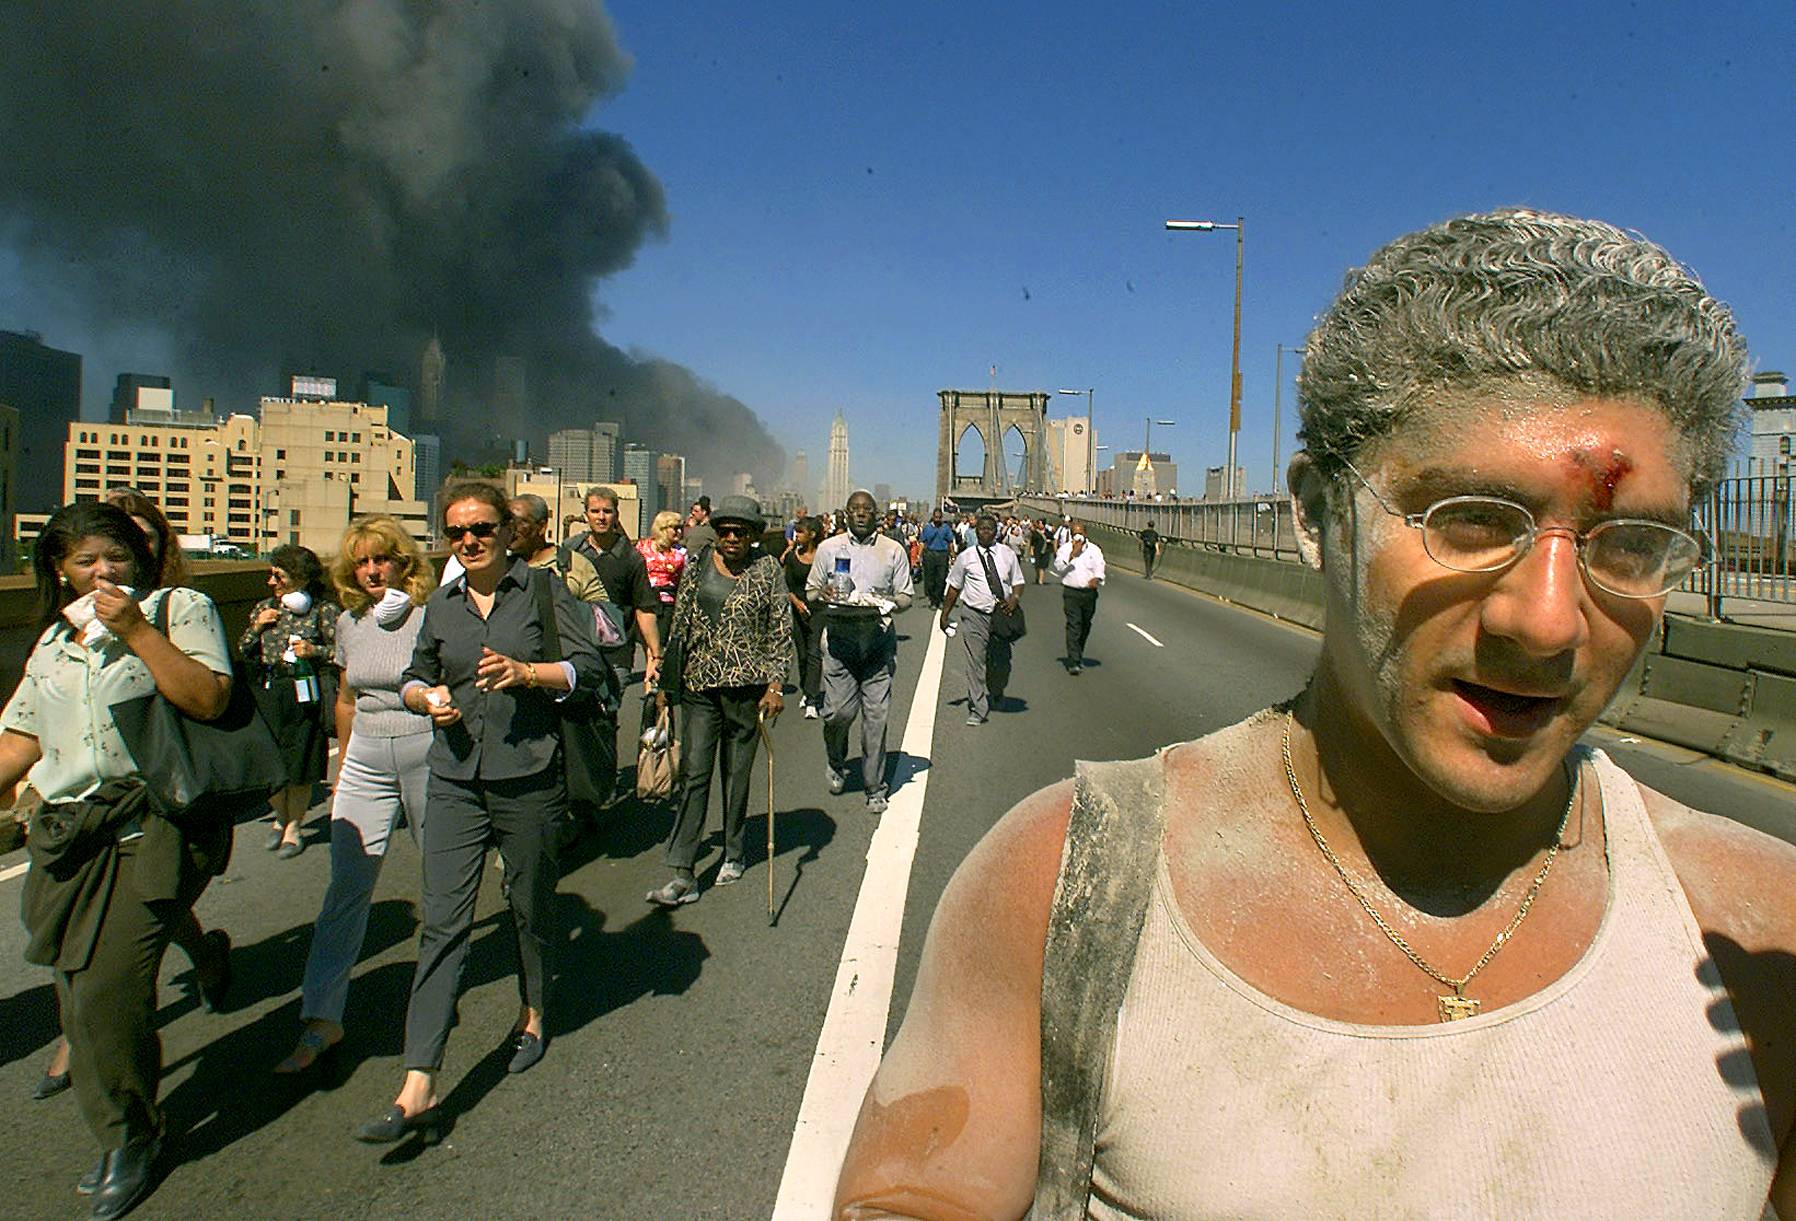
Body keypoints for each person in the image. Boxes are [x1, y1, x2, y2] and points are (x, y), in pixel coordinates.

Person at [834, 210, 1796, 1218]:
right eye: (1467, 521)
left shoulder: (1760, 933)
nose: (1549, 624)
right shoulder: (1060, 890)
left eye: (1630, 545)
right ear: (1312, 514)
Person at [0, 502, 236, 1219]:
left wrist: (134, 630)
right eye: (84, 561)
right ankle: (122, 1111)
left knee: (109, 991)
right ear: (57, 569)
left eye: (116, 557)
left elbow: (208, 697)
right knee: (75, 998)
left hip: (152, 825)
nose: (102, 572)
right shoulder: (54, 642)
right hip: (72, 835)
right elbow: (20, 739)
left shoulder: (176, 608)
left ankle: (131, 1133)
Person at [355, 482, 602, 1142]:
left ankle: (534, 1011)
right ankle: (418, 1082)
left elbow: (589, 670)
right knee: (443, 921)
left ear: (507, 531)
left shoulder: (545, 593)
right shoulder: (441, 605)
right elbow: (411, 674)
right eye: (456, 532)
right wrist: (422, 696)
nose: (468, 541)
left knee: (529, 904)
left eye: (481, 529)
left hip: (528, 778)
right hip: (456, 778)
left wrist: (527, 673)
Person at [276, 515, 437, 1075]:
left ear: (404, 563)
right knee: (345, 888)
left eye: (383, 558)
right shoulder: (348, 623)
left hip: (426, 751)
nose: (372, 570)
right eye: (362, 561)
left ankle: (434, 1004)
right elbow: (345, 698)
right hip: (367, 754)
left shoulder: (430, 617)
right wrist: (343, 768)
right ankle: (322, 1016)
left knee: (440, 882)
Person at [645, 496, 792, 906]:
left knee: (736, 773)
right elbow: (681, 624)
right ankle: (683, 871)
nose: (731, 538)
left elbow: (779, 630)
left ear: (752, 536)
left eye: (740, 532)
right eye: (724, 531)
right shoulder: (697, 567)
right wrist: (665, 683)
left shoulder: (767, 571)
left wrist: (776, 686)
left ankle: (734, 849)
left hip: (746, 688)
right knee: (694, 773)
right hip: (699, 687)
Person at [807, 489, 914, 815]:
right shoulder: (829, 549)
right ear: (846, 514)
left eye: (868, 509)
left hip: (878, 643)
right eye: (855, 509)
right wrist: (823, 591)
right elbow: (811, 592)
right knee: (838, 713)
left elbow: (906, 596)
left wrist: (889, 601)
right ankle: (836, 759)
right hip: (840, 643)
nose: (862, 514)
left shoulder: (893, 550)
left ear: (877, 514)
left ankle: (874, 787)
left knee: (876, 719)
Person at [240, 545, 339, 857]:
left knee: (299, 764)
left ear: (300, 578)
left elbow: (342, 651)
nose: (272, 582)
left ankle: (293, 827)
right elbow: (243, 650)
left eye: (278, 576)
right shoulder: (262, 609)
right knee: (269, 762)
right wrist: (257, 629)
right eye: (271, 575)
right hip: (269, 690)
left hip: (303, 692)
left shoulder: (323, 612)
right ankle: (279, 818)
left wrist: (315, 652)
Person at [568, 486, 663, 800]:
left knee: (605, 714)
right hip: (575, 648)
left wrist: (654, 654)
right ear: (586, 514)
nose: (601, 517)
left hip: (615, 653)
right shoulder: (571, 551)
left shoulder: (630, 558)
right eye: (595, 511)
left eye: (607, 511)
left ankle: (604, 780)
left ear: (616, 515)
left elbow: (644, 608)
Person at [939, 513, 1024, 726]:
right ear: (976, 532)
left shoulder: (1007, 555)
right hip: (974, 615)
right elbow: (954, 587)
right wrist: (945, 613)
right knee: (975, 662)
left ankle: (996, 691)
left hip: (1001, 616)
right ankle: (977, 708)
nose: (985, 532)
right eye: (982, 529)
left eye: (989, 529)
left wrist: (1014, 598)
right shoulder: (966, 557)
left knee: (1001, 662)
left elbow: (1018, 581)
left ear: (996, 532)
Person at [1049, 519, 1105, 675]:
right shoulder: (1065, 549)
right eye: (1075, 534)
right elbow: (1058, 567)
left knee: (1085, 625)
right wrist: (1072, 554)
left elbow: (1100, 566)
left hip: (1089, 593)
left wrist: (1097, 578)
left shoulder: (1094, 550)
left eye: (1080, 533)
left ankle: (1078, 651)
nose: (1078, 536)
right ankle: (1073, 660)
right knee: (1074, 624)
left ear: (1085, 534)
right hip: (1071, 593)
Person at [783, 515, 825, 718]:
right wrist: (797, 603)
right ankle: (805, 687)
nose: (796, 535)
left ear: (812, 535)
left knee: (814, 652)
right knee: (802, 654)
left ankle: (812, 698)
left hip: (818, 609)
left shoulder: (824, 557)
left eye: (800, 532)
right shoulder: (792, 557)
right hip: (797, 609)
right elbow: (787, 586)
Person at [918, 510, 956, 609]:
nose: (937, 519)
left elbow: (950, 542)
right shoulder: (927, 528)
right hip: (930, 554)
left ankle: (938, 598)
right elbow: (922, 542)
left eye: (939, 517)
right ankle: (933, 599)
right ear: (933, 517)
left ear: (941, 517)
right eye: (936, 517)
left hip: (942, 555)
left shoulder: (946, 528)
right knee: (930, 578)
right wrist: (919, 556)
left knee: (941, 578)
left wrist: (953, 556)